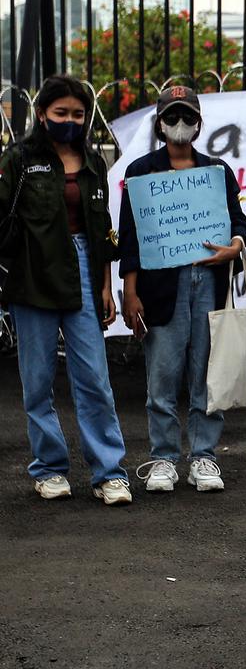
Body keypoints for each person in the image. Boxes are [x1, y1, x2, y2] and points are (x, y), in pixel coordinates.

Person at [0, 75, 130, 506]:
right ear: (42, 114)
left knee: (94, 377)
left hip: (85, 271)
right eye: (61, 113)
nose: (70, 121)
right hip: (32, 273)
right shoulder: (18, 159)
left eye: (78, 114)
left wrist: (106, 286)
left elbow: (102, 230)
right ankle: (49, 469)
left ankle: (109, 472)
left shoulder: (93, 163)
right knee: (37, 381)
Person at [118, 86, 246, 494]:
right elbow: (130, 238)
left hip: (207, 281)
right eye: (172, 116)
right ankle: (163, 457)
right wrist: (129, 290)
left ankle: (205, 457)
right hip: (161, 286)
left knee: (206, 374)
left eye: (187, 116)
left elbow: (239, 224)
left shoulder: (218, 171)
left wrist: (235, 246)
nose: (180, 124)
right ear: (159, 123)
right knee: (162, 372)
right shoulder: (141, 172)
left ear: (199, 123)